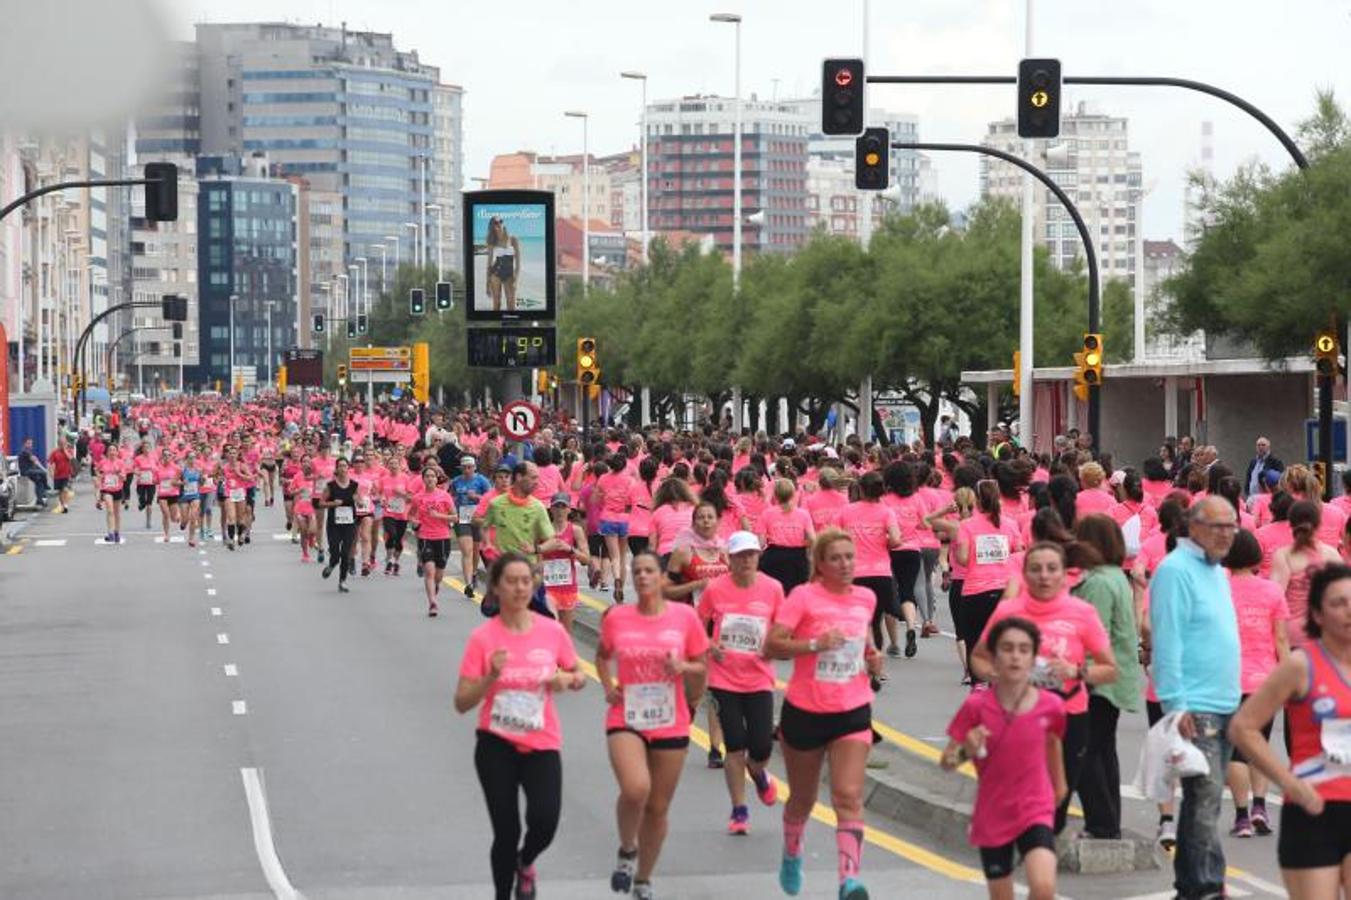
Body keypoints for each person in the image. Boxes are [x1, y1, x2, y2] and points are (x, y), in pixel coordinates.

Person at [454, 552, 585, 900]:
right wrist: (491, 677)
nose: (519, 588)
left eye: (526, 581)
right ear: (496, 587)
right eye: (511, 581)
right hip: (496, 744)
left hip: (542, 742)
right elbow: (462, 702)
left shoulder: (552, 631)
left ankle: (526, 863)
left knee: (545, 821)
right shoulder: (483, 638)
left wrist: (565, 679)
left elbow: (578, 674)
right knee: (507, 831)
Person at [766, 528, 886, 900]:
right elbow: (772, 643)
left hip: (852, 708)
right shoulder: (803, 597)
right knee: (802, 799)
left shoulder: (866, 597)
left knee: (848, 795)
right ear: (819, 563)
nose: (845, 564)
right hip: (805, 710)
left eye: (850, 557)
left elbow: (863, 640)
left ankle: (848, 880)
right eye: (836, 558)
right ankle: (792, 853)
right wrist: (816, 644)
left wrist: (872, 658)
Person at [972, 542, 1117, 834]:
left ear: (1065, 575)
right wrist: (1004, 677)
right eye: (1036, 569)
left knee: (1057, 800)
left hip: (1069, 714)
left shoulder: (1082, 613)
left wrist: (1076, 671)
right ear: (1024, 574)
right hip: (1018, 716)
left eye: (1052, 569)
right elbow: (978, 658)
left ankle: (1040, 846)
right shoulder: (1008, 612)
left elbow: (1110, 669)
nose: (1044, 576)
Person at [1229, 564, 1351, 900]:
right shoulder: (1301, 666)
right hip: (1313, 810)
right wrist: (1289, 782)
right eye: (1338, 603)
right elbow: (1244, 727)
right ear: (1317, 613)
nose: (1349, 610)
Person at [597, 550, 709, 900]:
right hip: (627, 715)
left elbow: (701, 666)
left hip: (670, 717)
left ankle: (643, 879)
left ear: (662, 579)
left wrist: (684, 670)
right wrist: (607, 686)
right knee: (635, 789)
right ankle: (628, 848)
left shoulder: (685, 618)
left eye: (649, 571)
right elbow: (602, 655)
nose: (642, 576)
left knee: (658, 807)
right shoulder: (617, 618)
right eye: (637, 571)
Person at [1149, 496, 1241, 900]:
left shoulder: (1217, 570)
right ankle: (1198, 885)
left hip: (1226, 701)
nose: (1228, 534)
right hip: (1196, 705)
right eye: (1220, 526)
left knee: (1208, 801)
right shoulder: (1174, 571)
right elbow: (1166, 640)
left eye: (1233, 526)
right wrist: (1176, 704)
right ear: (1195, 527)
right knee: (1203, 799)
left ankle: (1202, 881)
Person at [943, 617, 1067, 900]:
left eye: (1024, 650)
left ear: (1034, 659)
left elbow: (1052, 742)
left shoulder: (1051, 706)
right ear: (994, 659)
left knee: (1044, 886)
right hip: (994, 813)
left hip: (1035, 807)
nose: (1015, 656)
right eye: (1007, 648)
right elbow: (947, 761)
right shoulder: (976, 706)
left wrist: (1059, 786)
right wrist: (966, 750)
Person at [697, 531, 783, 835]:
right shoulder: (715, 589)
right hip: (724, 679)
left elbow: (783, 630)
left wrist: (772, 645)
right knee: (734, 746)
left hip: (759, 678)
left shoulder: (773, 589)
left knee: (759, 747)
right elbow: (697, 625)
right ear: (729, 559)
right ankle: (739, 810)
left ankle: (759, 775)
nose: (746, 560)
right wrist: (709, 644)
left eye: (751, 554)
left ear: (759, 556)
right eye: (740, 555)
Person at [1070, 515, 1141, 840]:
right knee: (1103, 749)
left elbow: (1091, 633)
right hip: (1117, 674)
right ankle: (1108, 819)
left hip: (1096, 679)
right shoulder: (1115, 577)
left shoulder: (1097, 583)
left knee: (1085, 753)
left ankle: (1101, 821)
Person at [1222, 528, 1290, 839]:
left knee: (1237, 749)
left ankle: (1241, 816)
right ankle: (1260, 806)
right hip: (1265, 678)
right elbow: (1280, 638)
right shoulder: (1273, 592)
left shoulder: (1218, 589)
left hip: (1227, 677)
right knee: (1259, 744)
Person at [541, 492, 590, 634]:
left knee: (565, 634)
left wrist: (569, 549)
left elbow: (586, 559)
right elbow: (533, 556)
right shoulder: (543, 530)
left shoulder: (575, 530)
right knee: (549, 630)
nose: (560, 510)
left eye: (563, 507)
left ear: (569, 509)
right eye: (557, 506)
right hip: (547, 588)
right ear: (551, 509)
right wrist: (544, 549)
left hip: (567, 588)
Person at [756, 477, 814, 594]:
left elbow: (760, 543)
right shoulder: (803, 514)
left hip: (774, 558)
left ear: (775, 496)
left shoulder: (767, 513)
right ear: (793, 494)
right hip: (798, 559)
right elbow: (812, 539)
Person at [411, 466, 454, 617]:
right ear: (423, 479)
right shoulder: (418, 497)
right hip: (425, 537)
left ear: (437, 479)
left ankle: (436, 586)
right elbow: (411, 515)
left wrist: (439, 516)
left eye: (433, 476)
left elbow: (455, 517)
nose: (430, 479)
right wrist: (414, 522)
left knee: (439, 572)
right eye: (427, 476)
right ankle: (432, 603)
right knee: (429, 570)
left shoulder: (445, 496)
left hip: (443, 537)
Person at [452, 456, 492, 597]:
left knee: (476, 550)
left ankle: (474, 573)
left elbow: (491, 499)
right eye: (465, 467)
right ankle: (468, 583)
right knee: (466, 551)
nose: (467, 470)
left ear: (475, 467)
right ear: (461, 468)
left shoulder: (482, 481)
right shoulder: (456, 482)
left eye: (470, 467)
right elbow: (451, 499)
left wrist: (476, 497)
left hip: (478, 519)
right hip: (462, 519)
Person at [318, 457, 359, 592]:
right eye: (340, 466)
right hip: (334, 525)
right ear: (336, 469)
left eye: (345, 466)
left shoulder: (354, 485)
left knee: (345, 553)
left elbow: (359, 501)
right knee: (335, 554)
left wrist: (359, 501)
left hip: (349, 524)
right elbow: (320, 503)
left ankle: (342, 581)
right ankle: (331, 565)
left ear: (348, 468)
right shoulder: (331, 486)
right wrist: (332, 503)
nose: (342, 468)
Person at [484, 215, 521, 312]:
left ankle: (511, 326)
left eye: (501, 221)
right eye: (496, 223)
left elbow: (518, 264)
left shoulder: (513, 239)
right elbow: (489, 264)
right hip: (495, 274)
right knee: (497, 304)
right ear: (493, 227)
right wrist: (487, 284)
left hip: (509, 274)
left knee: (511, 305)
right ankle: (495, 326)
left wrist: (516, 280)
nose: (499, 224)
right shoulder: (492, 242)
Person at [16, 438, 50, 507]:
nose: (30, 445)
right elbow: (36, 461)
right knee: (42, 473)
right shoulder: (25, 452)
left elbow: (36, 460)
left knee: (39, 483)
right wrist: (44, 470)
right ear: (24, 444)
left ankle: (39, 500)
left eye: (31, 443)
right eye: (28, 443)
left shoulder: (29, 452)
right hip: (26, 471)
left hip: (30, 471)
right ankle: (46, 486)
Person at [46, 438, 74, 514]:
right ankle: (62, 505)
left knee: (65, 489)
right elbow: (50, 463)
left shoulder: (68, 450)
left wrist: (65, 450)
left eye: (64, 443)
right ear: (58, 444)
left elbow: (70, 458)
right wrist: (51, 472)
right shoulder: (54, 452)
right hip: (57, 475)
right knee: (60, 492)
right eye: (61, 443)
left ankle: (66, 505)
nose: (62, 445)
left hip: (66, 474)